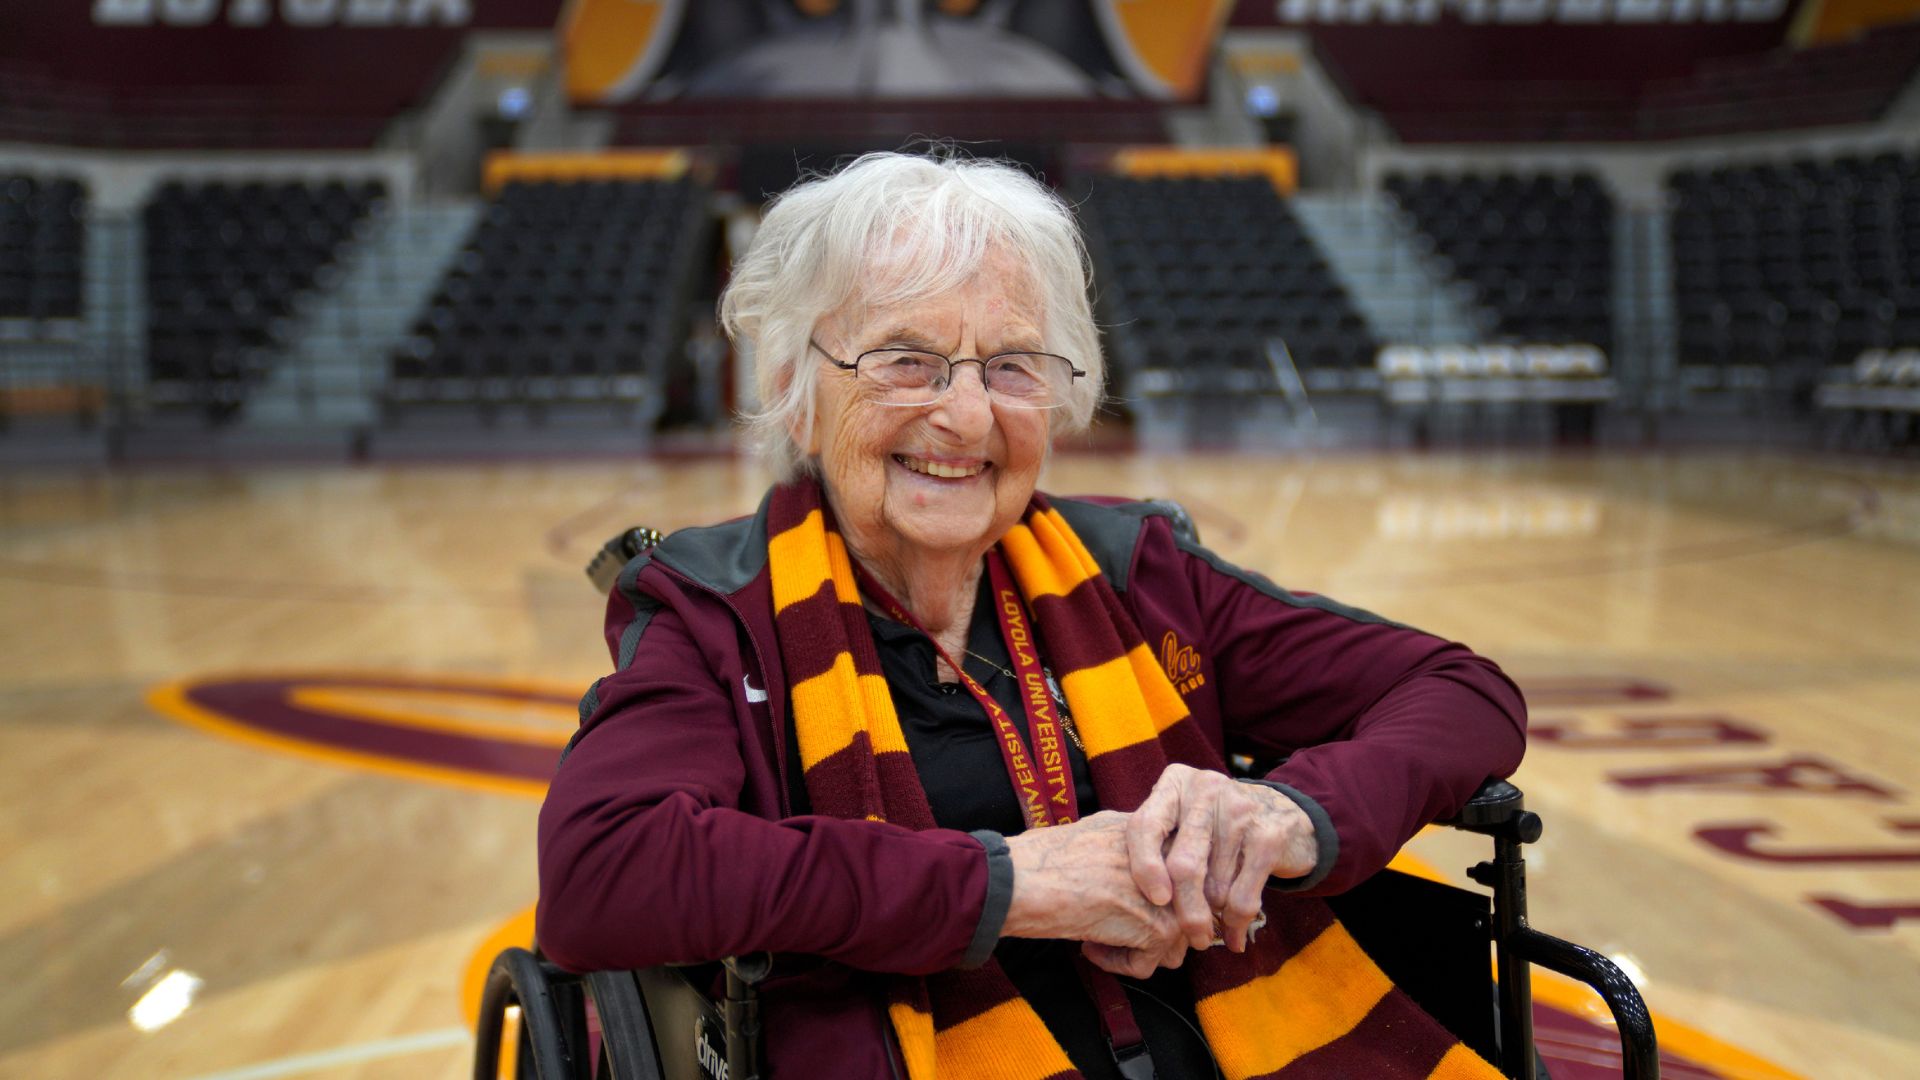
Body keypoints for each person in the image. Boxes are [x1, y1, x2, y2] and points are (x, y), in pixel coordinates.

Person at [537, 152, 1526, 1080]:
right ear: (798, 394)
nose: (966, 416)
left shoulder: (1138, 575)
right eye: (905, 361)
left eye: (1012, 366)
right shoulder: (722, 616)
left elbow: (1462, 691)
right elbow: (600, 871)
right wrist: (1007, 885)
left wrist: (1290, 814)